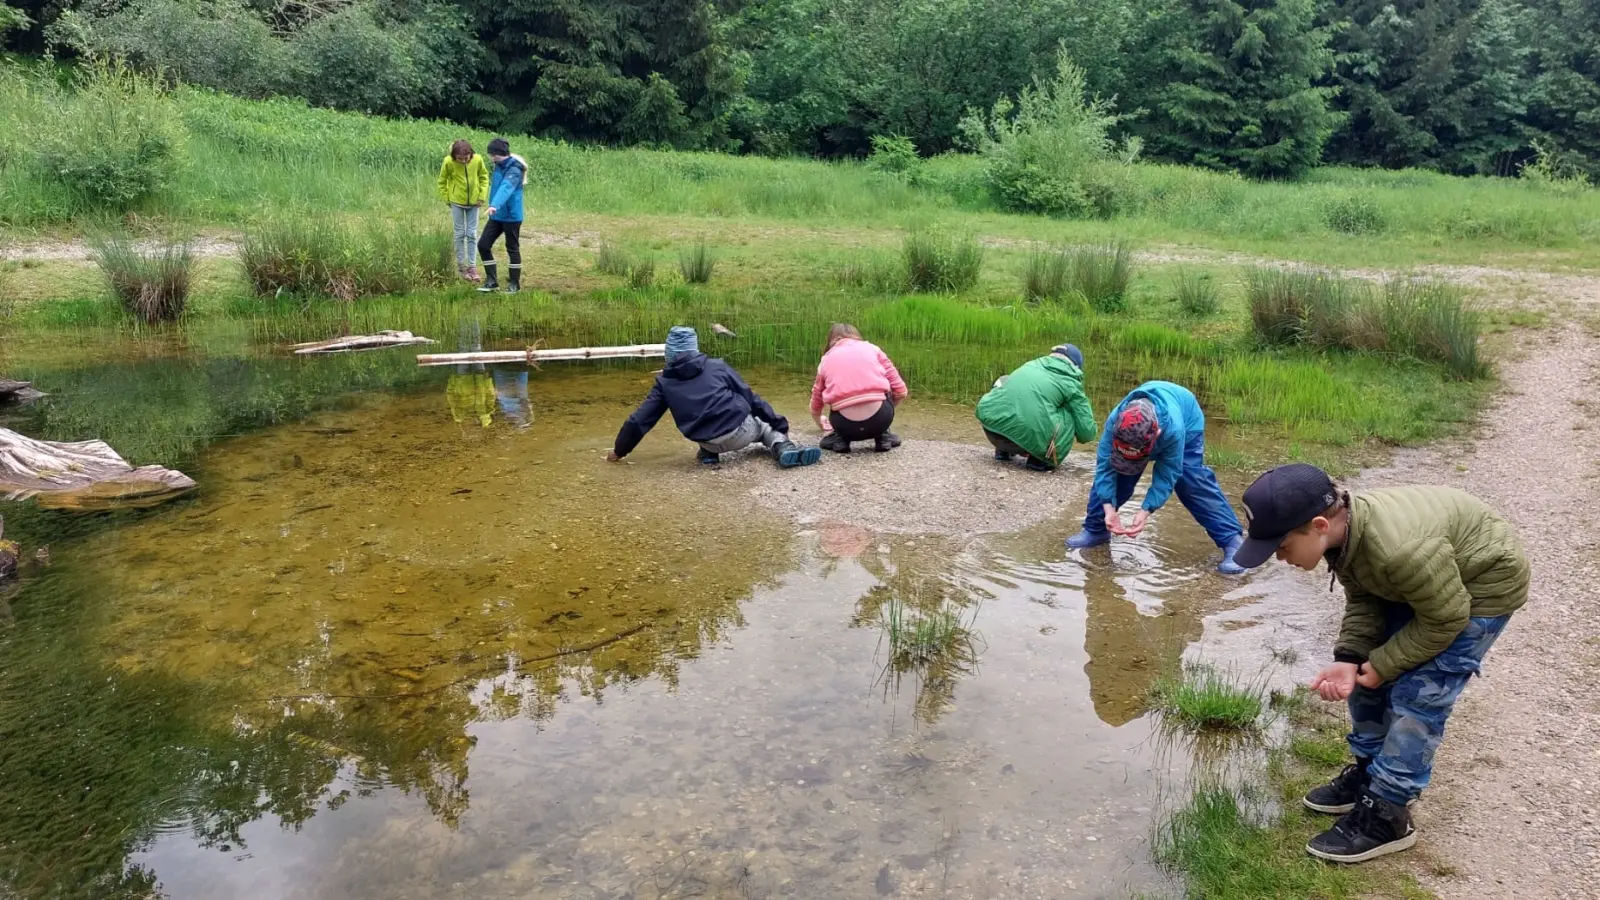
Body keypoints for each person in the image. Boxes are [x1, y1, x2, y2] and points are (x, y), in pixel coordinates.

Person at [1230, 464, 1528, 864]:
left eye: (1281, 547)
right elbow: (1366, 596)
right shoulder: (1345, 536)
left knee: (1418, 697)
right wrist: (1349, 658)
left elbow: (1446, 619)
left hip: (1481, 590)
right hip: (1429, 585)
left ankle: (1388, 814)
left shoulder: (1398, 550)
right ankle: (1371, 774)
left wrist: (1385, 664)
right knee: (1366, 676)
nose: (1279, 559)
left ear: (1318, 525)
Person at [1065, 380, 1245, 574]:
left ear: (1158, 434)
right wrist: (1108, 510)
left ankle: (1232, 542)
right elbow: (1104, 468)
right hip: (1143, 432)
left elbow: (1168, 474)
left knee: (1190, 480)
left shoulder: (1173, 431)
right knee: (1119, 472)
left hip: (1187, 420)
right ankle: (1096, 529)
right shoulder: (1116, 422)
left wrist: (1146, 510)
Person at [606, 326, 822, 468]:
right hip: (740, 432)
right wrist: (779, 422)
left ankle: (708, 455)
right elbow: (750, 397)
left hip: (707, 440)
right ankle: (783, 447)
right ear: (695, 348)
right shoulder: (717, 367)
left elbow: (640, 421)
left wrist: (619, 451)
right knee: (764, 425)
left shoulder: (664, 383)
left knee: (701, 414)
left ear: (668, 354)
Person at [973, 344, 1095, 473]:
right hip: (1026, 442)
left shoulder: (1030, 365)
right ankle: (1040, 460)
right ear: (1076, 367)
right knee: (1071, 412)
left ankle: (1003, 451)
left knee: (1005, 381)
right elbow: (1086, 433)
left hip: (992, 431)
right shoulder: (1071, 383)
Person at [811, 323, 908, 454]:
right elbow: (901, 391)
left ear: (830, 341)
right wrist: (887, 409)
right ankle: (883, 436)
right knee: (884, 390)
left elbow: (816, 403)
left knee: (837, 398)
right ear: (857, 336)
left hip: (844, 425)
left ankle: (841, 440)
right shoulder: (873, 349)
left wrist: (822, 424)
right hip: (880, 420)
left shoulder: (826, 360)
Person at [477, 137, 526, 295]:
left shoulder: (514, 169)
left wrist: (493, 205)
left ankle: (514, 284)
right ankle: (492, 281)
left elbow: (506, 188)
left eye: (492, 154)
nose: (490, 157)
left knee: (512, 248)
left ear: (499, 154)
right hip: (497, 215)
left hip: (511, 216)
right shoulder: (498, 165)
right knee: (483, 245)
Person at [436, 139, 489, 283]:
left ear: (471, 154)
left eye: (466, 159)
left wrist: (481, 196)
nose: (463, 161)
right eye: (460, 159)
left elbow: (484, 178)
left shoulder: (478, 160)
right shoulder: (448, 162)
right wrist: (447, 199)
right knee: (459, 234)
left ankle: (472, 267)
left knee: (472, 234)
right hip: (456, 202)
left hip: (474, 203)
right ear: (454, 157)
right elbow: (442, 181)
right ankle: (461, 267)